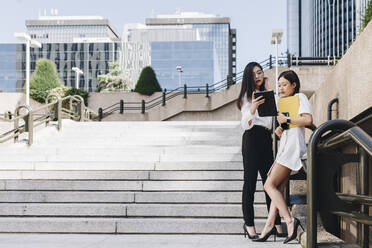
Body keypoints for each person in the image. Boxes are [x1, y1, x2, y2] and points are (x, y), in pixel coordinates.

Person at [253, 70, 312, 243]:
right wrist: (281, 128)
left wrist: (288, 122)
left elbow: (307, 120)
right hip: (285, 144)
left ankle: (290, 220)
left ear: (294, 84)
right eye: (279, 85)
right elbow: (288, 124)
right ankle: (269, 225)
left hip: (293, 147)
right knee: (277, 188)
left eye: (285, 84)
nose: (282, 88)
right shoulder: (283, 102)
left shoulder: (300, 97)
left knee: (268, 185)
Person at [237, 62, 285, 240]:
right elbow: (245, 124)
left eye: (260, 72)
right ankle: (249, 225)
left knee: (270, 184)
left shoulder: (268, 93)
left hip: (266, 139)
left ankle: (276, 225)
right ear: (249, 78)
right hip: (251, 139)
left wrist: (268, 90)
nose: (257, 76)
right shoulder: (245, 97)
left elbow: (277, 112)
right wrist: (252, 108)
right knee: (249, 184)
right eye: (254, 74)